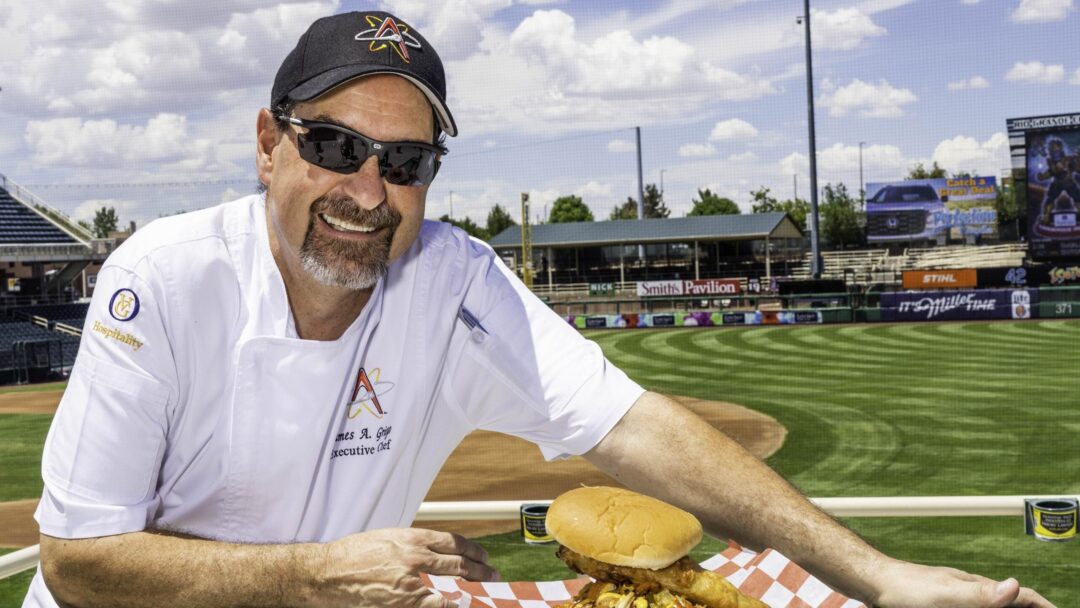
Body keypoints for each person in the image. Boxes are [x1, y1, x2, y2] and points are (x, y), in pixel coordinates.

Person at [27, 10, 1053, 608]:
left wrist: (882, 577)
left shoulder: (453, 278)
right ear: (268, 143)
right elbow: (77, 562)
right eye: (333, 146)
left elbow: (638, 429)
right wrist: (318, 568)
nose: (366, 189)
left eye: (406, 161)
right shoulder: (158, 278)